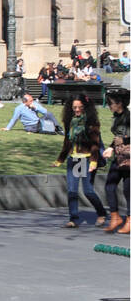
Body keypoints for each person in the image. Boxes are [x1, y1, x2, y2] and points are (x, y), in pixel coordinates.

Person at [54, 92, 107, 228]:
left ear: (86, 107)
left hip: (87, 160)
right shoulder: (70, 121)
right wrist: (60, 159)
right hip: (74, 159)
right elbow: (67, 141)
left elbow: (95, 144)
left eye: (80, 107)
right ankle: (74, 219)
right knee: (72, 190)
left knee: (88, 191)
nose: (77, 110)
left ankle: (101, 213)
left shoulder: (91, 122)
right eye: (74, 107)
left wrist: (94, 162)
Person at [102, 89, 130, 233]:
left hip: (129, 158)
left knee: (127, 190)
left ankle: (129, 221)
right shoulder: (117, 117)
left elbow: (123, 137)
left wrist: (125, 140)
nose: (109, 106)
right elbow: (117, 137)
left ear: (120, 103)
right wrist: (110, 148)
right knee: (109, 186)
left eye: (111, 103)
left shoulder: (129, 116)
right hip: (119, 156)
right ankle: (115, 217)